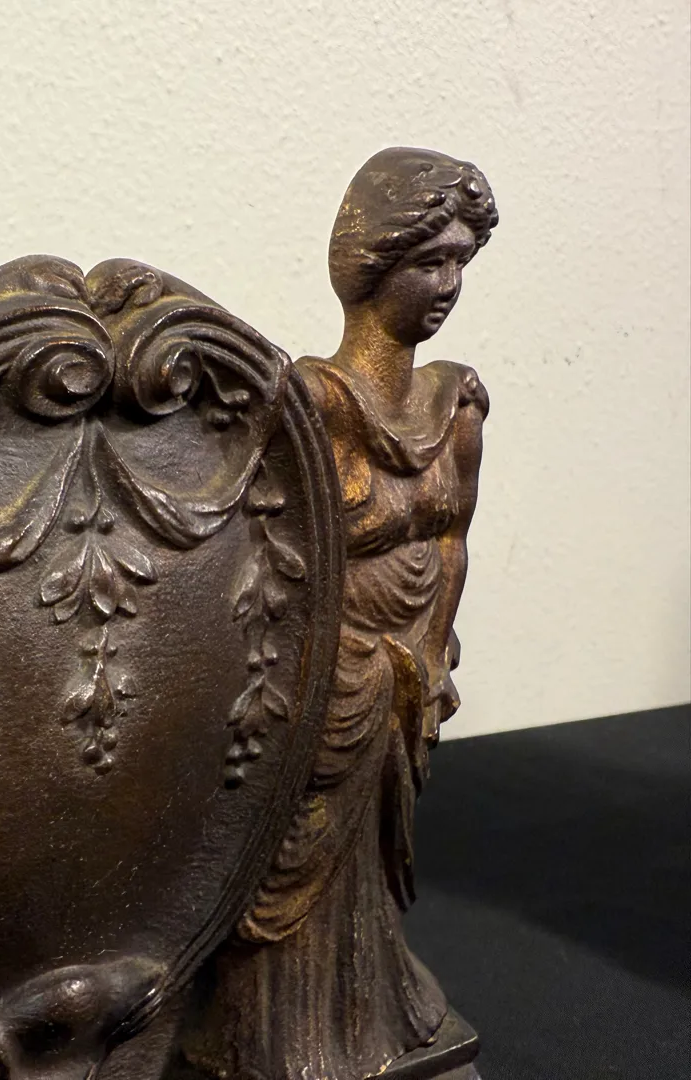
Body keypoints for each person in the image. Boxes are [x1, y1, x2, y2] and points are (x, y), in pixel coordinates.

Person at [187, 147, 498, 1079]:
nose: (446, 285)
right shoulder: (308, 403)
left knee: (374, 866)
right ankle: (270, 1034)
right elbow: (258, 561)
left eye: (459, 262)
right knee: (294, 863)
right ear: (371, 262)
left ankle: (372, 1012)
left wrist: (431, 650)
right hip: (320, 680)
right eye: (427, 261)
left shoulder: (457, 403)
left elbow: (451, 539)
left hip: (407, 674)